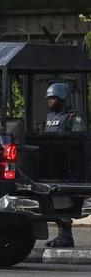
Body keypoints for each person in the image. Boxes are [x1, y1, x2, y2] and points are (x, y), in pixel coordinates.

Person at [43, 82, 84, 247]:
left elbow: (77, 140)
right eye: (48, 99)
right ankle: (63, 235)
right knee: (55, 201)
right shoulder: (50, 118)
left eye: (53, 98)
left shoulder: (75, 117)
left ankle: (66, 236)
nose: (49, 101)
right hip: (53, 165)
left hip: (69, 166)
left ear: (62, 98)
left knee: (65, 201)